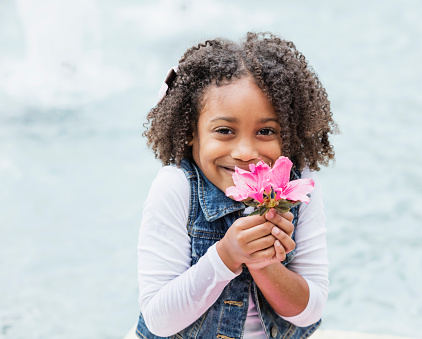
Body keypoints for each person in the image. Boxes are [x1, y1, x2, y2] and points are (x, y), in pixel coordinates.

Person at [136, 32, 337, 339]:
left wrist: (264, 264)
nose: (245, 152)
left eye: (266, 131)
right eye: (225, 130)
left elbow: (310, 310)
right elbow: (158, 321)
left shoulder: (299, 187)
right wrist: (227, 255)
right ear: (192, 132)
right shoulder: (175, 188)